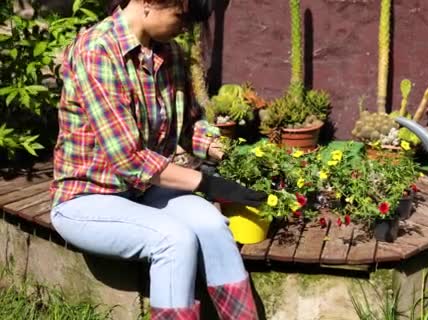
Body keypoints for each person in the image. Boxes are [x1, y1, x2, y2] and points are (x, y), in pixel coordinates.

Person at [49, 0, 266, 319]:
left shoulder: (172, 55)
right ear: (148, 2)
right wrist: (208, 183)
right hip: (87, 199)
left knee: (213, 225)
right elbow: (129, 159)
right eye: (181, 15)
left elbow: (186, 127)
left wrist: (226, 153)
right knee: (174, 240)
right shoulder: (97, 52)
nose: (187, 27)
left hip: (143, 192)